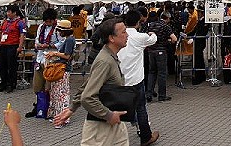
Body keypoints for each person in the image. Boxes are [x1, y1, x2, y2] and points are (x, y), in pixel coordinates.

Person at [53, 18, 132, 145]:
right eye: (123, 32)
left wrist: (72, 108)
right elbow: (88, 97)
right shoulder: (105, 61)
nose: (127, 35)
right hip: (100, 126)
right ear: (111, 38)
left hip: (113, 122)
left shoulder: (109, 57)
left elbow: (88, 83)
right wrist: (109, 115)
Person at [118, 10, 159, 145]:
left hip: (120, 79)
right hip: (136, 79)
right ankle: (145, 136)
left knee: (118, 108)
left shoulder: (117, 36)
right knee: (140, 107)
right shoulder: (140, 37)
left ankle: (115, 137)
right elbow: (153, 39)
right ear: (138, 22)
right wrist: (152, 33)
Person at [26, 8, 60, 118]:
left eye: (49, 21)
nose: (47, 23)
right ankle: (39, 107)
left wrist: (50, 46)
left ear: (53, 20)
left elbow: (62, 42)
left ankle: (49, 108)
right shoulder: (41, 27)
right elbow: (37, 40)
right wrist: (38, 45)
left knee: (49, 86)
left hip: (52, 59)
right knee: (37, 86)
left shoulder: (58, 28)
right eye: (45, 21)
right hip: (40, 58)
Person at [46, 19, 76, 126]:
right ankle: (59, 116)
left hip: (63, 68)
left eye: (60, 30)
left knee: (61, 94)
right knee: (59, 92)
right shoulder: (70, 39)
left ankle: (61, 117)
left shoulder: (69, 40)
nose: (59, 32)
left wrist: (55, 54)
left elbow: (67, 56)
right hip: (63, 68)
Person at [145, 11, 177, 102]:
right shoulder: (165, 26)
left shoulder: (151, 25)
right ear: (167, 18)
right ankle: (162, 95)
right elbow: (174, 39)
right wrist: (168, 41)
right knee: (161, 74)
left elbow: (148, 35)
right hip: (161, 51)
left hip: (151, 51)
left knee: (152, 72)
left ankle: (149, 94)